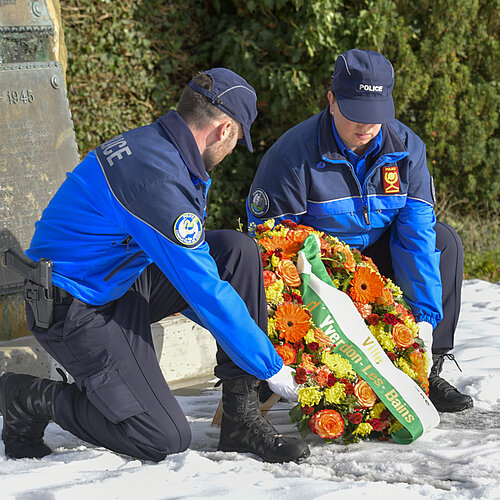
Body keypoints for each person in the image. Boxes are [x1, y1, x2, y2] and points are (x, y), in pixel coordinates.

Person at [0, 68, 310, 463]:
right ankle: (27, 397)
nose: (232, 150)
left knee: (235, 251)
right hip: (72, 306)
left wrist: (246, 346)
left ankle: (239, 419)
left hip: (118, 279)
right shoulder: (156, 177)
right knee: (161, 437)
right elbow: (202, 288)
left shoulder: (163, 147)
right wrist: (270, 365)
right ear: (225, 130)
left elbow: (197, 275)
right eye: (237, 141)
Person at [247, 49, 473, 414]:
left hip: (380, 256)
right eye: (356, 113)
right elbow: (271, 250)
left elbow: (416, 234)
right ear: (332, 100)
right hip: (321, 269)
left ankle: (429, 367)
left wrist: (426, 319)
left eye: (376, 116)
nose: (366, 127)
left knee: (444, 242)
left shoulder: (408, 148)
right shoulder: (291, 156)